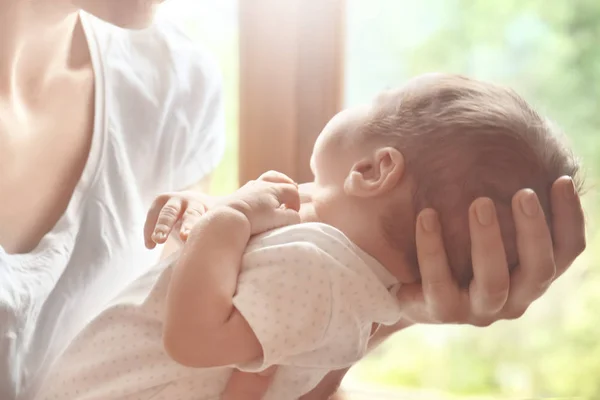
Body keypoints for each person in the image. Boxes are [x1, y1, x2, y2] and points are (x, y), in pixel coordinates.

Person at [0, 0, 586, 398]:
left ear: (375, 168)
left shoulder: (176, 88)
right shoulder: (325, 267)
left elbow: (199, 339)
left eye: (377, 98)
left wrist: (225, 220)